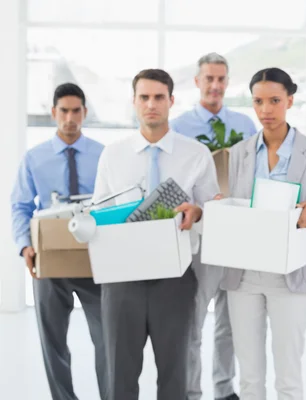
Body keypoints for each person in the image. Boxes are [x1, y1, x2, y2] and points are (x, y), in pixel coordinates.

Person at [92, 69, 220, 400]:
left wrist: (199, 213)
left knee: (175, 376)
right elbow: (98, 215)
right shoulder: (113, 155)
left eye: (159, 97)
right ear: (134, 102)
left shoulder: (196, 155)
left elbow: (213, 214)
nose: (151, 104)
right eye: (144, 97)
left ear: (171, 101)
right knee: (119, 375)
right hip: (122, 280)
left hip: (174, 278)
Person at [221, 67, 306, 400]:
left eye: (274, 100)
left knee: (289, 375)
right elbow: (236, 204)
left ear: (290, 101)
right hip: (245, 274)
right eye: (258, 101)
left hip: (291, 274)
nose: (266, 110)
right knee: (250, 378)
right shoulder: (238, 153)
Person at [11, 83, 108, 400]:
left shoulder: (102, 155)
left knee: (107, 338)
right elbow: (21, 206)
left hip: (94, 260)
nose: (69, 118)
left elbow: (111, 204)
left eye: (75, 111)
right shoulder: (34, 158)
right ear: (54, 113)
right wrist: (25, 245)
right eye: (63, 111)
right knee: (52, 340)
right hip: (49, 259)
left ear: (84, 113)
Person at [171, 52, 257, 400]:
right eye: (209, 78)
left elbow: (254, 177)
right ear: (197, 82)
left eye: (221, 79)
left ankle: (224, 389)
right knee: (193, 317)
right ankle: (191, 390)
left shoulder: (246, 125)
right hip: (200, 235)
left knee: (230, 319)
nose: (215, 85)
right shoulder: (179, 128)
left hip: (236, 233)